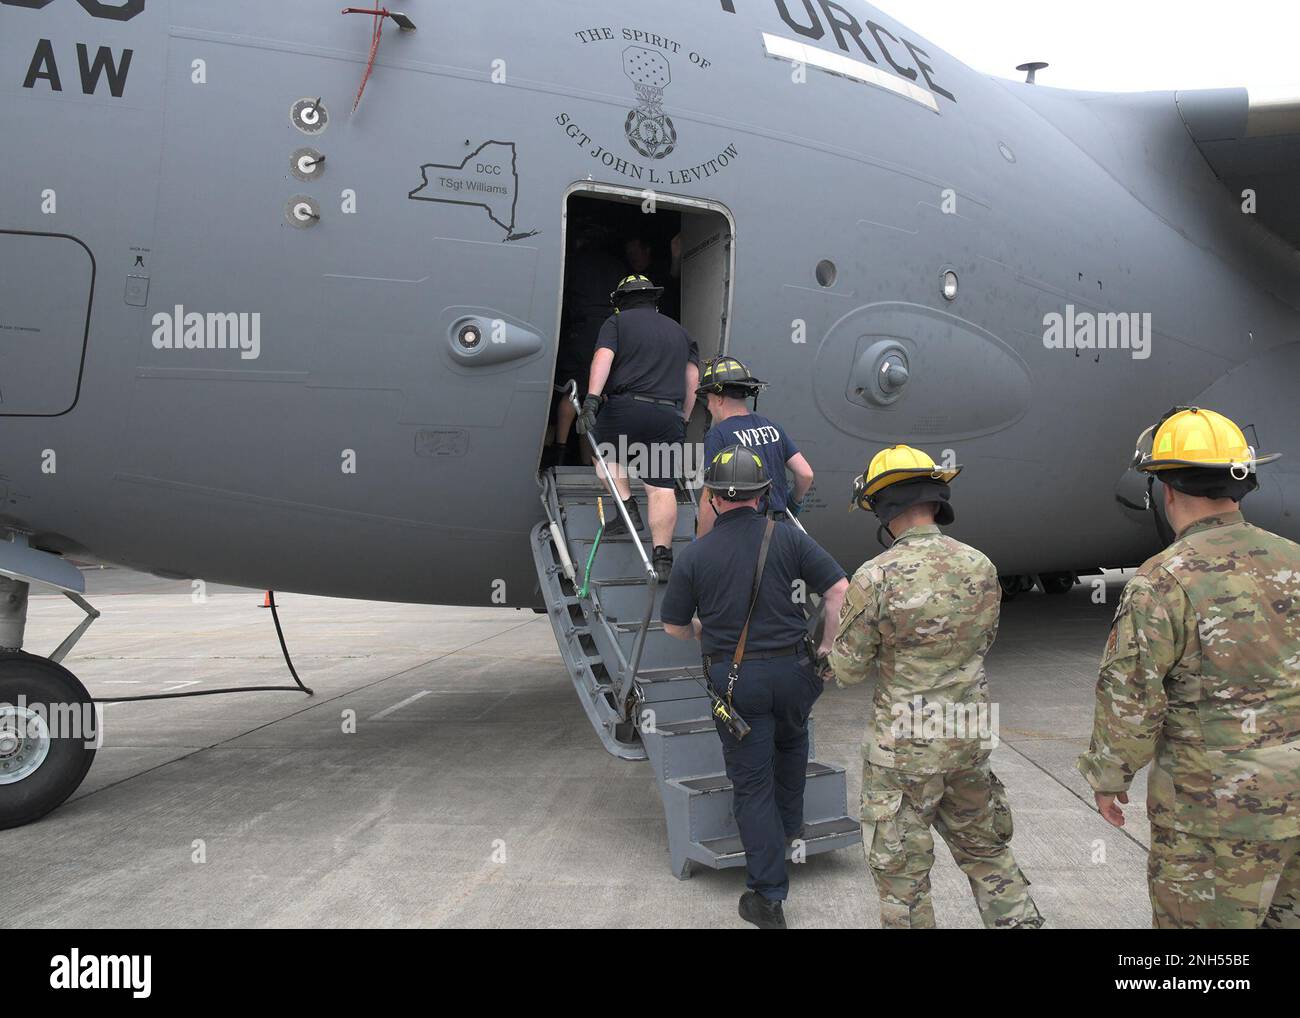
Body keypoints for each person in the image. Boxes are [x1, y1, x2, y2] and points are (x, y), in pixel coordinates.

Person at [1078, 406, 1300, 929]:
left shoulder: (1163, 580)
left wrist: (1110, 777)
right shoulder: (1293, 560)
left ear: (1165, 490)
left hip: (1212, 816)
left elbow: (1131, 696)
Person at [830, 444, 1043, 929]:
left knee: (903, 878)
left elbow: (850, 669)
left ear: (884, 510)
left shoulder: (876, 575)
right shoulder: (980, 565)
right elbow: (982, 640)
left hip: (904, 751)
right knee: (989, 854)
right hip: (968, 735)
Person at [661, 446, 849, 929]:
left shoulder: (696, 555)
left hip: (737, 680)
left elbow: (674, 628)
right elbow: (839, 591)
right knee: (792, 754)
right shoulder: (787, 538)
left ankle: (767, 896)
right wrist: (827, 650)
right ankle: (789, 834)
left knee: (751, 785)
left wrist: (708, 630)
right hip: (794, 676)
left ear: (713, 499)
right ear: (764, 494)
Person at [576, 274, 699, 580]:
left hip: (626, 408)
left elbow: (603, 358)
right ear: (653, 302)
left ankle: (627, 507)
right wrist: (684, 416)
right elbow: (693, 377)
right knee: (660, 487)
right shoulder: (681, 332)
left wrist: (591, 399)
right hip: (667, 414)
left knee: (603, 454)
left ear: (621, 302)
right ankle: (662, 557)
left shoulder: (616, 324)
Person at [695, 356, 814, 537]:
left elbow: (709, 497)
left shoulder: (718, 435)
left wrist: (701, 542)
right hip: (778, 530)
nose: (709, 407)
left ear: (719, 399)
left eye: (709, 400)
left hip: (743, 532)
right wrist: (793, 502)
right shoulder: (773, 427)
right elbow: (806, 474)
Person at [548, 222, 625, 466]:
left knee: (572, 390)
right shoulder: (618, 266)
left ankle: (559, 449)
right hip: (608, 333)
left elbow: (562, 293)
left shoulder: (574, 261)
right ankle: (589, 460)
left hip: (580, 331)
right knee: (595, 394)